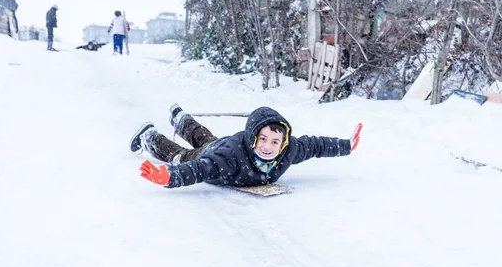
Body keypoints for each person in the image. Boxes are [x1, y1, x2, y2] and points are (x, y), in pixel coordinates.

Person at [130, 104, 362, 189]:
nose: (268, 147)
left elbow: (315, 146)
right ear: (253, 138)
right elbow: (200, 170)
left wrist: (346, 145)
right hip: (215, 154)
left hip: (221, 144)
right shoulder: (231, 158)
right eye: (262, 139)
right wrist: (172, 177)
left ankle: (180, 118)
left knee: (206, 137)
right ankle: (149, 136)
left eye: (274, 142)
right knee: (184, 155)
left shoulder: (289, 150)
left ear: (283, 143)